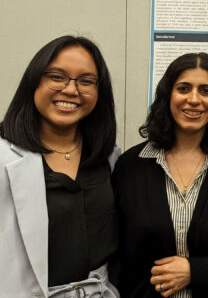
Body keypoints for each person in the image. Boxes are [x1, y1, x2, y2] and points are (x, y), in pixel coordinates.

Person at [112, 52, 208, 297]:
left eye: (205, 91)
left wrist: (195, 271)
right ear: (168, 96)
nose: (194, 99)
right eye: (183, 88)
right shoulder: (130, 165)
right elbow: (114, 247)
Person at [0, 35, 120, 297]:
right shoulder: (3, 156)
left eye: (86, 81)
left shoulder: (108, 157)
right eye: (57, 76)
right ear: (34, 81)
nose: (71, 90)